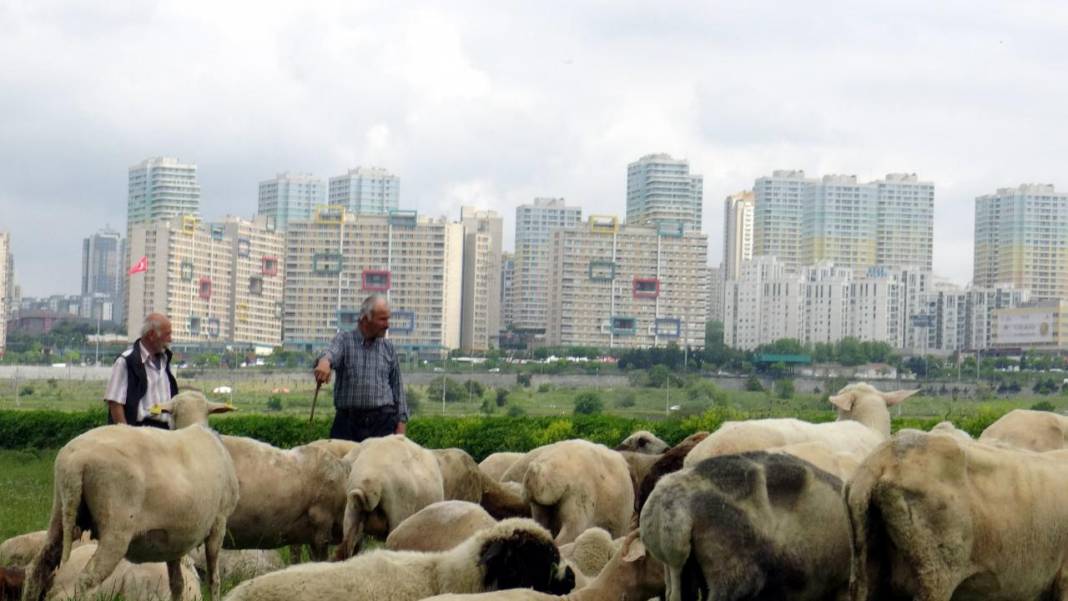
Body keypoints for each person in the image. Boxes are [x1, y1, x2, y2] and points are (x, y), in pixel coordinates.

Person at [314, 294, 408, 441]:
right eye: (382, 319)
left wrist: (401, 427)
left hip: (383, 424)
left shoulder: (388, 347)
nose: (387, 324)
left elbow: (398, 389)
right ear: (365, 319)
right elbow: (330, 353)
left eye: (388, 319)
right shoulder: (344, 340)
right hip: (348, 424)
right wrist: (324, 362)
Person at [104, 313, 177, 429]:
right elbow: (114, 402)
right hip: (139, 433)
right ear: (152, 335)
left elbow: (155, 407)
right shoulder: (126, 361)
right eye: (167, 334)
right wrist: (126, 436)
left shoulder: (165, 361)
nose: (170, 339)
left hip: (165, 433)